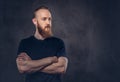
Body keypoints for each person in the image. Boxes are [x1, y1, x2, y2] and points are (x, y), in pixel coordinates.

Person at [16, 5, 68, 82]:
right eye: (44, 19)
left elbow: (61, 68)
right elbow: (23, 68)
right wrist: (50, 60)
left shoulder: (58, 43)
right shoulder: (25, 43)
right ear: (35, 21)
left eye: (49, 19)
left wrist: (31, 64)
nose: (48, 22)